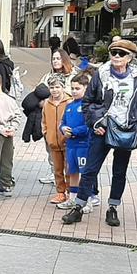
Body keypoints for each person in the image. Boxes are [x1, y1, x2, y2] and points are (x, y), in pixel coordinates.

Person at [61, 38, 137, 227]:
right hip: (103, 128)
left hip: (125, 129)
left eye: (122, 53)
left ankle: (113, 208)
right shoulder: (101, 74)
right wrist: (96, 122)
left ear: (130, 58)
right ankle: (79, 207)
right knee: (90, 169)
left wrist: (136, 126)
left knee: (120, 171)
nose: (116, 56)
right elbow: (88, 102)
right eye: (113, 53)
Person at [61, 73, 93, 209]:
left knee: (84, 173)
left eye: (77, 88)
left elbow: (89, 125)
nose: (74, 91)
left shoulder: (87, 106)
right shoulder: (69, 106)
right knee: (72, 171)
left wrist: (74, 131)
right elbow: (62, 122)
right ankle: (73, 198)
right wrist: (63, 129)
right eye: (72, 88)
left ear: (86, 88)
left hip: (83, 145)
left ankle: (88, 201)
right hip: (71, 145)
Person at [42, 75, 71, 205]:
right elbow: (44, 121)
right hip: (53, 142)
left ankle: (71, 192)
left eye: (57, 87)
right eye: (52, 87)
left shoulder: (69, 102)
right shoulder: (47, 103)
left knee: (69, 169)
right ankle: (60, 192)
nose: (54, 90)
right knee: (57, 170)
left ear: (63, 87)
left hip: (67, 142)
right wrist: (46, 134)